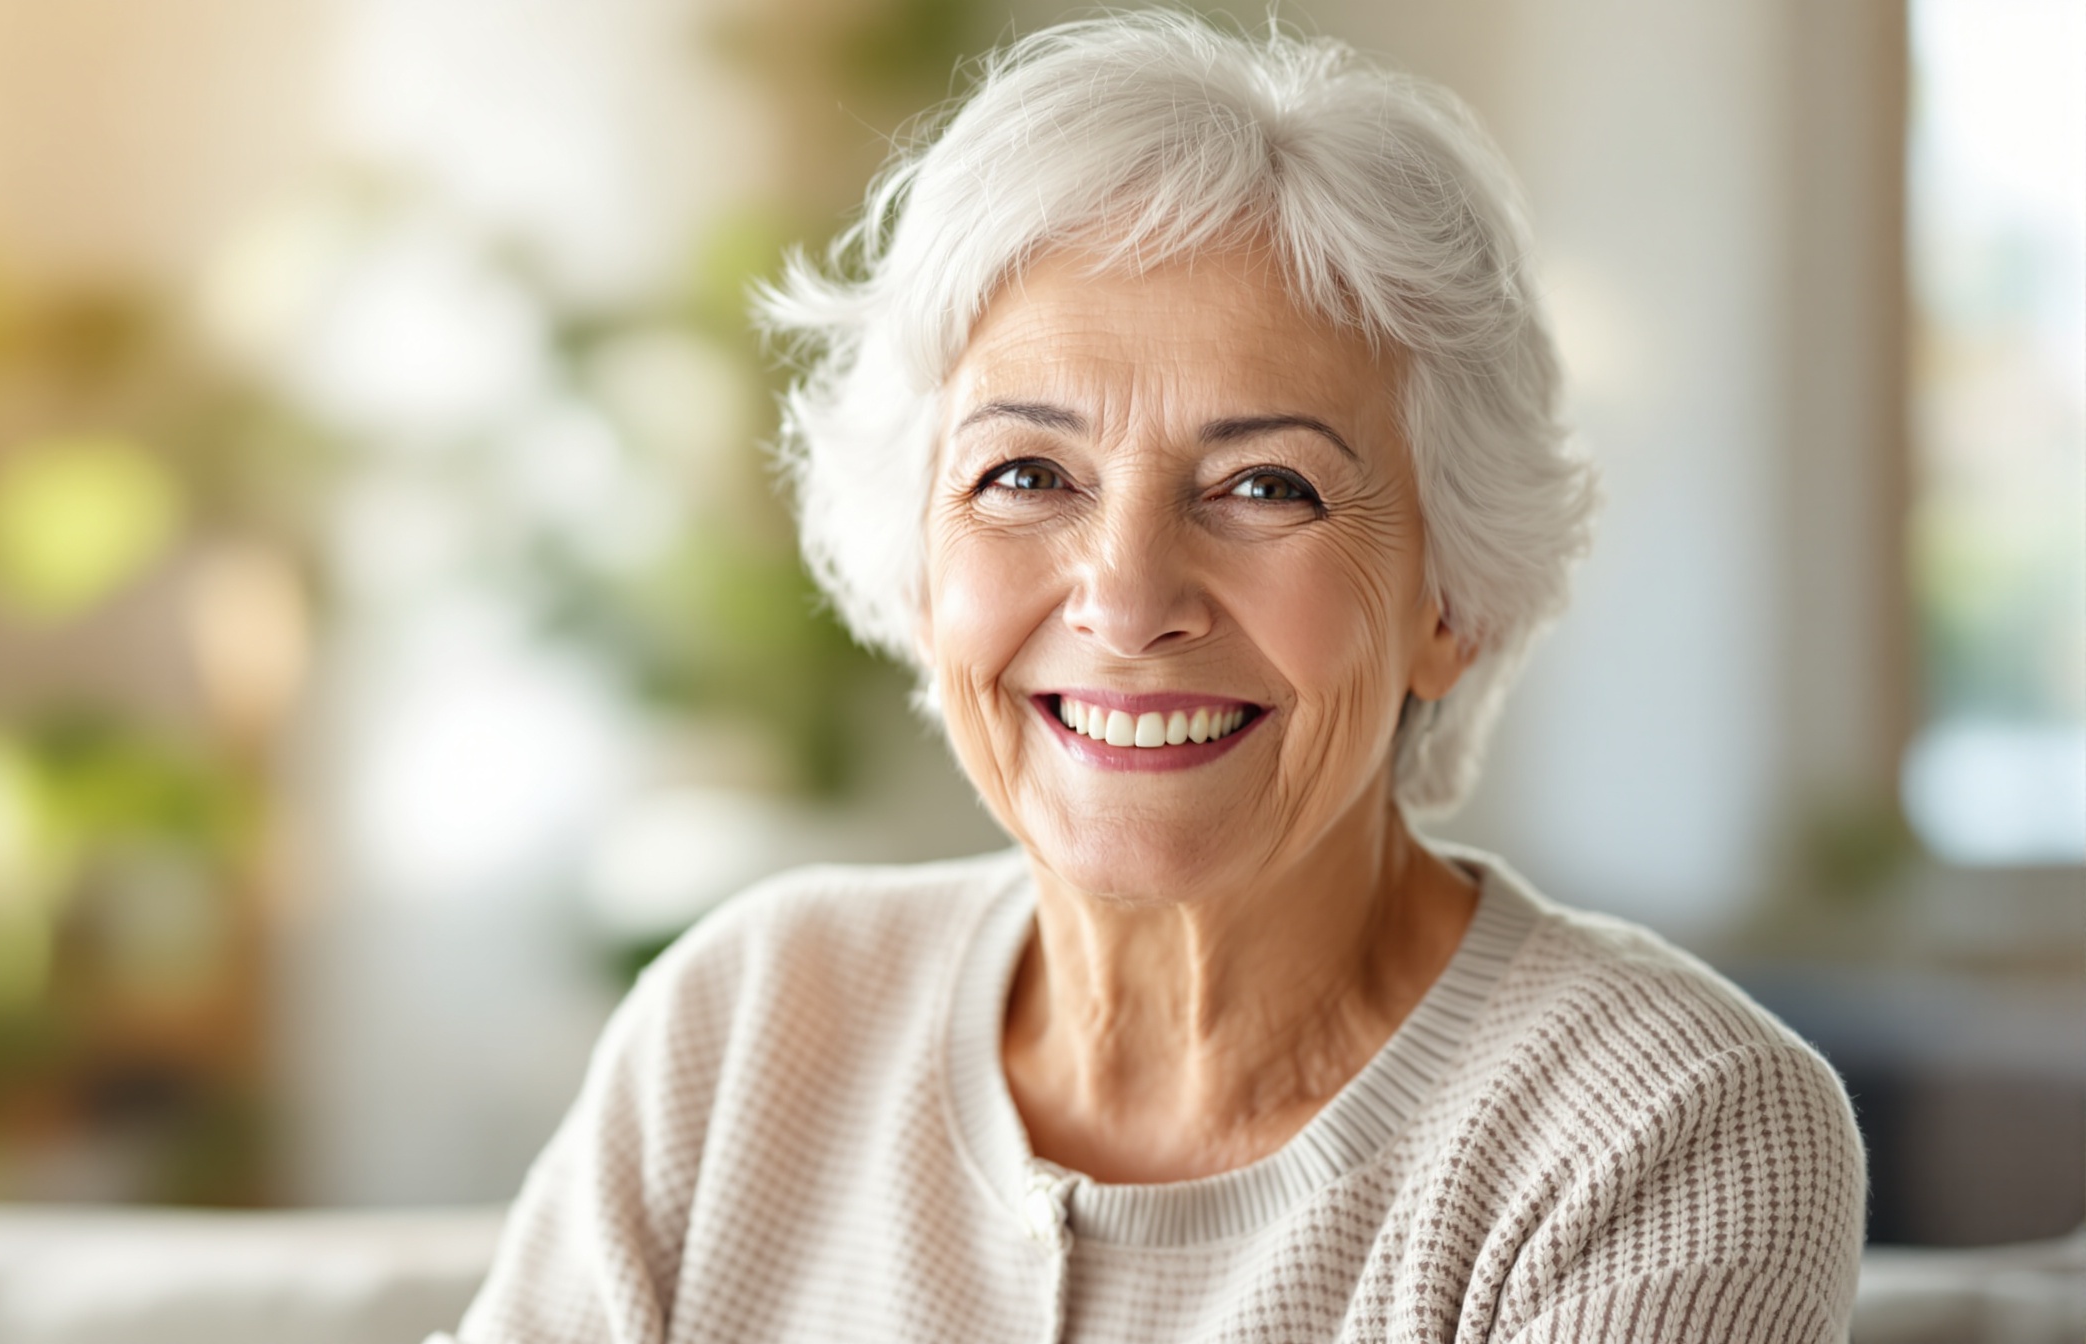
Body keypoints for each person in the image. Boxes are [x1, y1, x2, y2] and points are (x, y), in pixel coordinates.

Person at [440, 13, 1866, 1342]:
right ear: (922, 566)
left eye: (1264, 484)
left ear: (1451, 597)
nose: (1125, 598)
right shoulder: (751, 1019)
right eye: (1026, 473)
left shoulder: (1671, 1131)